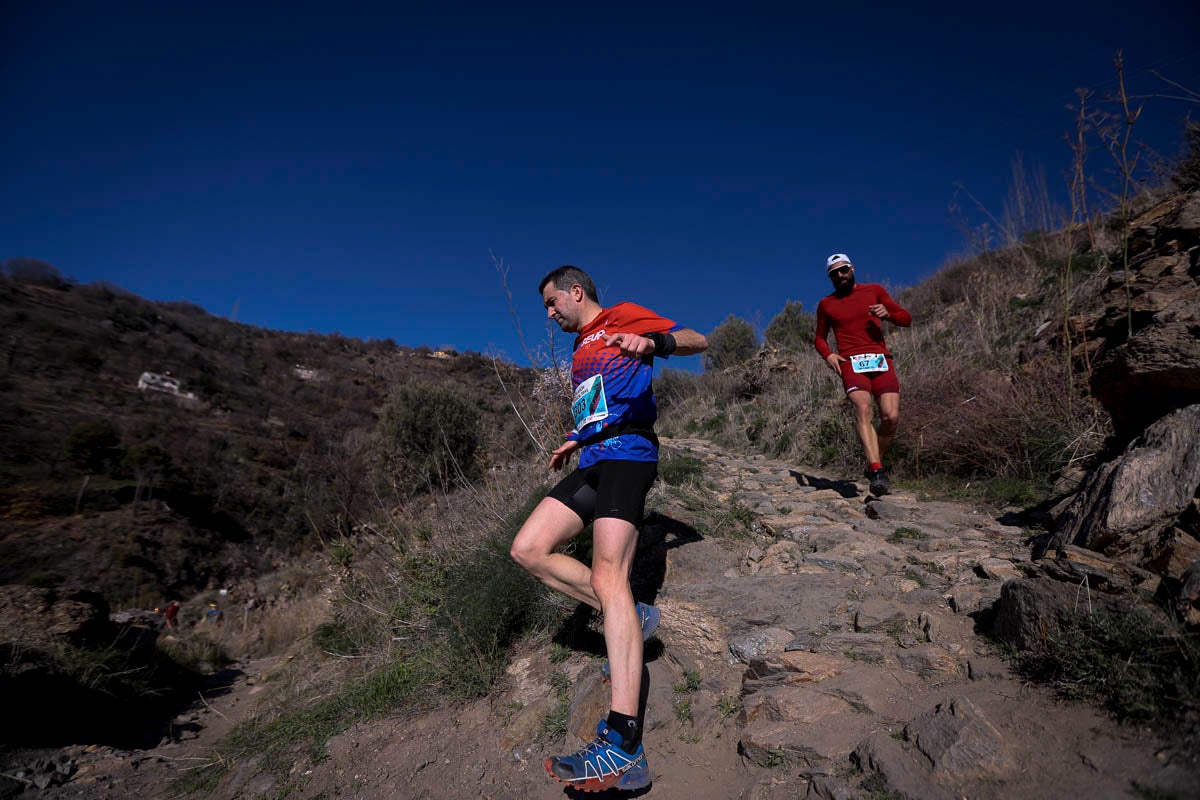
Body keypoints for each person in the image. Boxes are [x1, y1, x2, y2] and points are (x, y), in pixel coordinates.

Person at [510, 265, 707, 792]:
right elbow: (600, 404)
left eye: (553, 304)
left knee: (607, 574)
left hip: (629, 457)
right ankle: (630, 615)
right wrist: (577, 437)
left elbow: (697, 339)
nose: (550, 315)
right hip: (593, 457)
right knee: (528, 549)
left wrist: (655, 343)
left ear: (577, 292)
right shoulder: (579, 351)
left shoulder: (623, 315)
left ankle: (623, 746)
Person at [814, 253, 912, 496]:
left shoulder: (874, 291)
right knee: (863, 409)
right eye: (834, 273)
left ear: (852, 268)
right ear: (830, 277)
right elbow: (819, 338)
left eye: (843, 269)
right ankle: (878, 470)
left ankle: (872, 462)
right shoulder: (826, 304)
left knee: (890, 417)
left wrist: (888, 314)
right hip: (850, 362)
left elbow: (906, 319)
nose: (840, 275)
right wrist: (828, 355)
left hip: (881, 360)